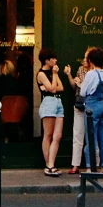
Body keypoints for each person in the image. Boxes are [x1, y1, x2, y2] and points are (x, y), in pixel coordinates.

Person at [81, 47, 103, 173]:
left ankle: (90, 166)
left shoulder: (90, 74)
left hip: (92, 106)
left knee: (91, 137)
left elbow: (83, 91)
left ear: (91, 61)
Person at [36, 48, 64, 177]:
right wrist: (54, 76)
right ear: (47, 60)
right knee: (48, 134)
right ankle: (49, 165)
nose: (55, 60)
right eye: (53, 58)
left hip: (58, 103)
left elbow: (61, 88)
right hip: (48, 103)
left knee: (57, 135)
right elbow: (53, 89)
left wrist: (55, 75)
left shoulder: (54, 73)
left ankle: (51, 164)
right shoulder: (41, 74)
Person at [64, 55, 89, 174]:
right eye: (83, 57)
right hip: (79, 104)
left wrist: (80, 84)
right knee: (77, 135)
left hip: (91, 105)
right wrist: (69, 75)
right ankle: (75, 165)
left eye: (86, 58)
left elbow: (88, 89)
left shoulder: (97, 71)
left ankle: (94, 164)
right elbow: (74, 86)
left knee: (92, 136)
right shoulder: (81, 69)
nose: (83, 60)